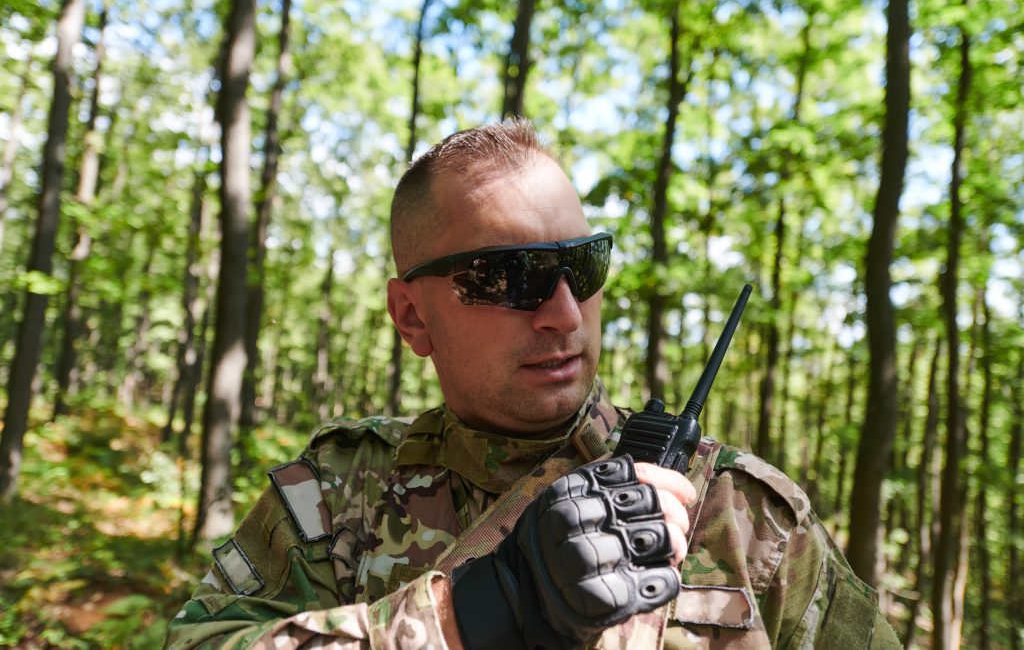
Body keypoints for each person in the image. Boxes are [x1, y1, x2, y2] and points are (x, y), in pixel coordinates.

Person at [165, 119, 900, 649]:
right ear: (412, 317)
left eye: (581, 267)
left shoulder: (741, 515)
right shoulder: (335, 496)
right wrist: (466, 617)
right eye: (507, 275)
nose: (563, 312)